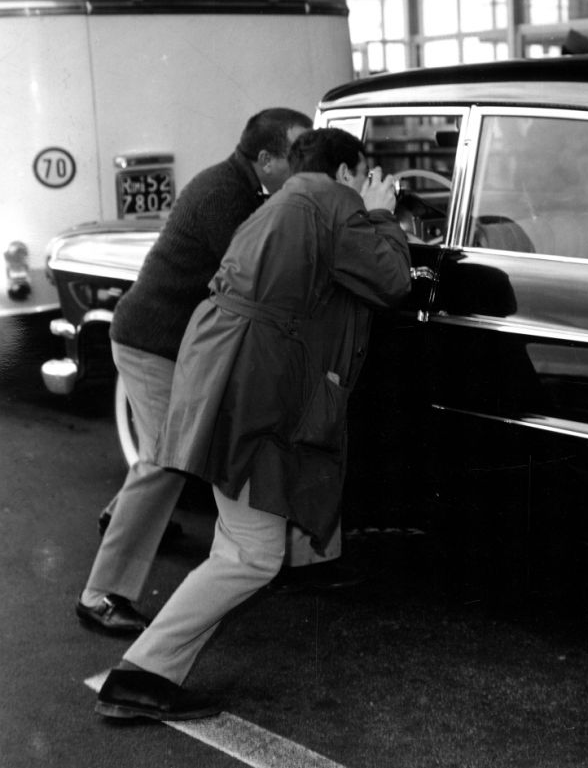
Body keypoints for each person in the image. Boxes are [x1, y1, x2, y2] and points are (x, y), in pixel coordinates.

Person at [94, 127, 411, 720]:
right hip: (255, 394)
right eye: (361, 174)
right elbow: (391, 280)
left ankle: (149, 673)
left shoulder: (285, 201)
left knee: (241, 542)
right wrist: (381, 216)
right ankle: (137, 678)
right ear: (346, 171)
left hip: (224, 377)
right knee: (253, 556)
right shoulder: (334, 203)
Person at [75, 107, 334, 637]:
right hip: (153, 344)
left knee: (171, 453)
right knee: (168, 459)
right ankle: (101, 595)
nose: (307, 166)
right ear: (265, 160)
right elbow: (261, 274)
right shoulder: (226, 197)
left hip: (171, 344)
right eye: (297, 156)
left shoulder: (245, 189)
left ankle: (118, 517)